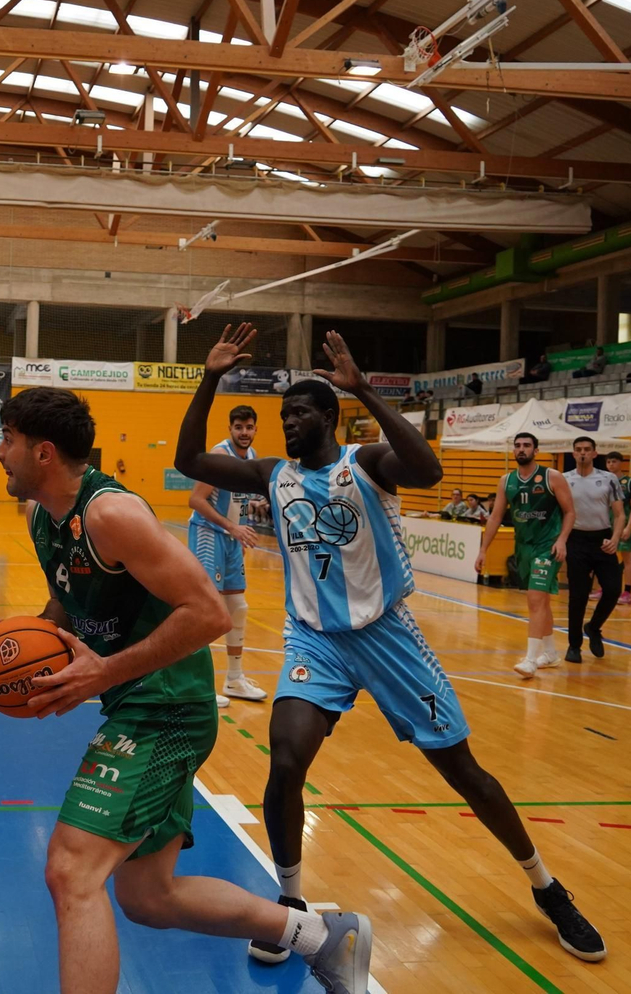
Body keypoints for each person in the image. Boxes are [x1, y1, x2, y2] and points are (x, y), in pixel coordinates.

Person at [177, 325, 606, 967]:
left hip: (388, 637)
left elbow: (428, 470)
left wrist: (367, 394)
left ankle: (547, 887)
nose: (288, 423)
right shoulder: (273, 474)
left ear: (328, 417)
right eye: (283, 413)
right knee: (286, 759)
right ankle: (289, 904)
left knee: (465, 773)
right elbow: (189, 461)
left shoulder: (367, 462)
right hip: (315, 641)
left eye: (299, 413)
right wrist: (209, 377)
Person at [0, 386, 373, 994]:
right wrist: (31, 640)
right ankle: (324, 938)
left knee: (71, 870)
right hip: (139, 704)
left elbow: (208, 615)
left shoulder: (110, 514)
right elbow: (69, 601)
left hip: (164, 710)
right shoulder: (46, 516)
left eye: (6, 439)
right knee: (149, 896)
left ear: (42, 452)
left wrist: (103, 672)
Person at [186, 404, 267, 707]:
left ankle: (234, 679)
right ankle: (198, 685)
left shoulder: (253, 457)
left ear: (255, 429)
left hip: (233, 539)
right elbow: (196, 500)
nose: (244, 433)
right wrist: (233, 527)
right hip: (210, 535)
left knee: (238, 607)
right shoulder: (220, 456)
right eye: (238, 427)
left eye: (249, 427)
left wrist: (254, 507)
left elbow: (237, 499)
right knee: (209, 610)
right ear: (230, 429)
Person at [477, 432, 574, 678]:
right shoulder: (506, 481)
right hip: (523, 547)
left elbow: (570, 512)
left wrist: (562, 540)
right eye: (518, 446)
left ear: (536, 450)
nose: (522, 449)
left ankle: (530, 659)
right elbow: (496, 517)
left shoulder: (552, 477)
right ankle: (550, 653)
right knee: (541, 601)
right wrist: (483, 550)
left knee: (535, 600)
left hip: (547, 546)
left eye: (527, 445)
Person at [562, 437, 625, 663]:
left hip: (602, 538)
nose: (583, 454)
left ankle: (594, 626)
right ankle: (574, 645)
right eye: (578, 450)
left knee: (612, 589)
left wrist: (615, 538)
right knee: (578, 595)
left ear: (595, 453)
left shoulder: (608, 479)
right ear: (573, 453)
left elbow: (619, 514)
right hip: (576, 539)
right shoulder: (564, 479)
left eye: (587, 450)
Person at [597, 453, 631, 605]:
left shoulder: (629, 482)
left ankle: (627, 592)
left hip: (621, 526)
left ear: (621, 463)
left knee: (627, 558)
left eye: (614, 461)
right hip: (605, 525)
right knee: (603, 559)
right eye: (608, 462)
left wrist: (628, 527)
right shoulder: (602, 481)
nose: (610, 464)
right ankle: (604, 588)